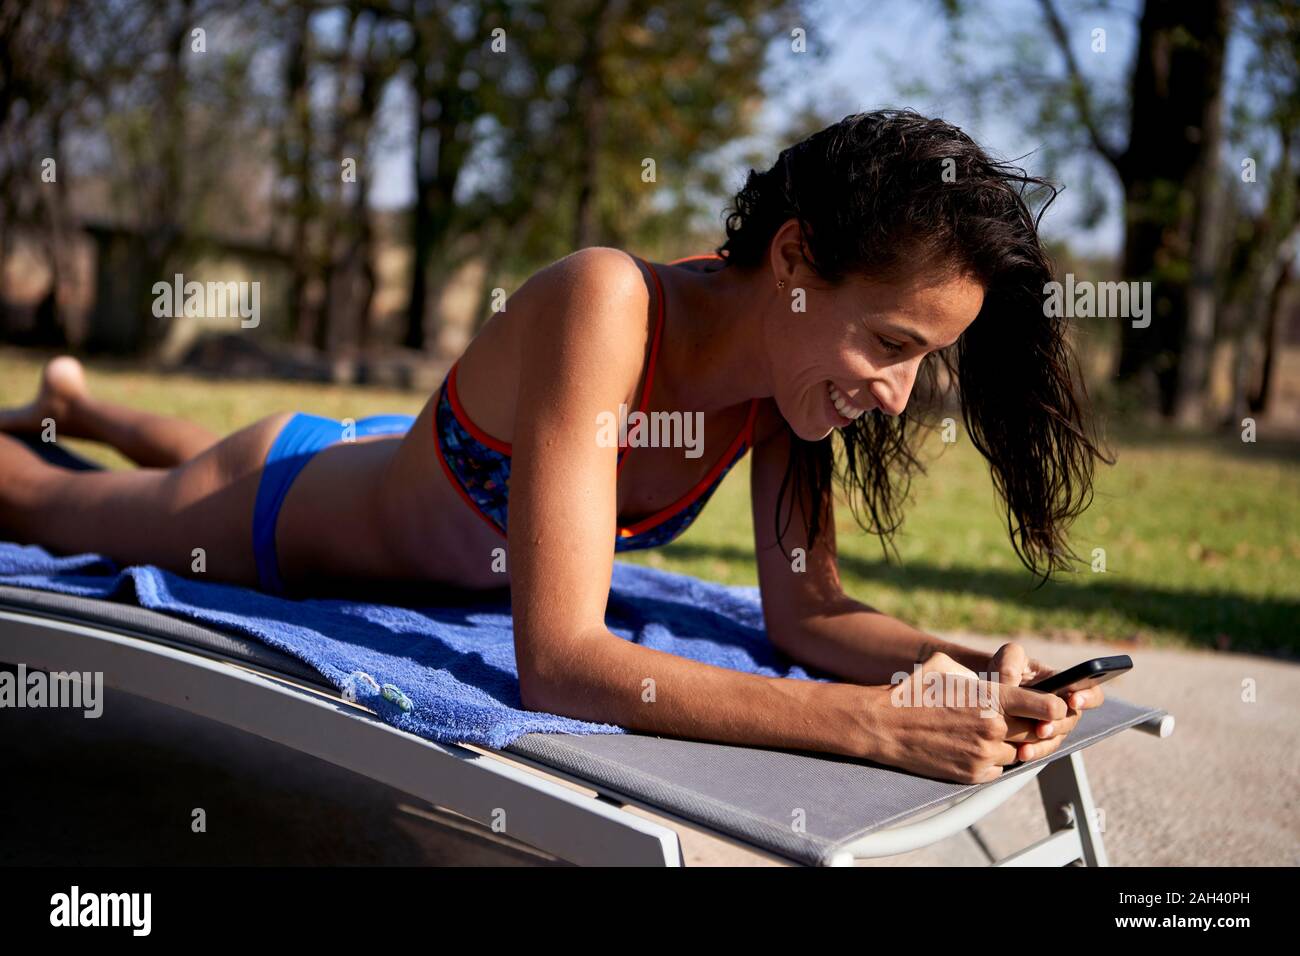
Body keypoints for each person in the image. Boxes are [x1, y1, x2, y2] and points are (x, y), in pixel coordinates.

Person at [0, 110, 1111, 783]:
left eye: (925, 361)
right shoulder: (608, 303)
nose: (896, 391)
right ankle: (66, 424)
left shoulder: (788, 383)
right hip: (284, 515)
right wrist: (871, 725)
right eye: (890, 342)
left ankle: (81, 402)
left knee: (217, 450)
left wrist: (965, 670)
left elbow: (806, 613)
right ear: (794, 260)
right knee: (59, 507)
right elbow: (563, 662)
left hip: (414, 472)